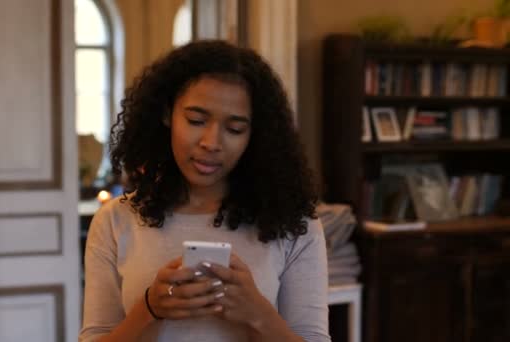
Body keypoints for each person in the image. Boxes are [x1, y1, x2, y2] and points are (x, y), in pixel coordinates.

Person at [79, 40, 330, 342]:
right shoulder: (114, 222)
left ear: (255, 135)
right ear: (167, 114)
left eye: (235, 129)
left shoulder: (293, 226)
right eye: (196, 120)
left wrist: (258, 315)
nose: (212, 142)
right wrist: (150, 310)